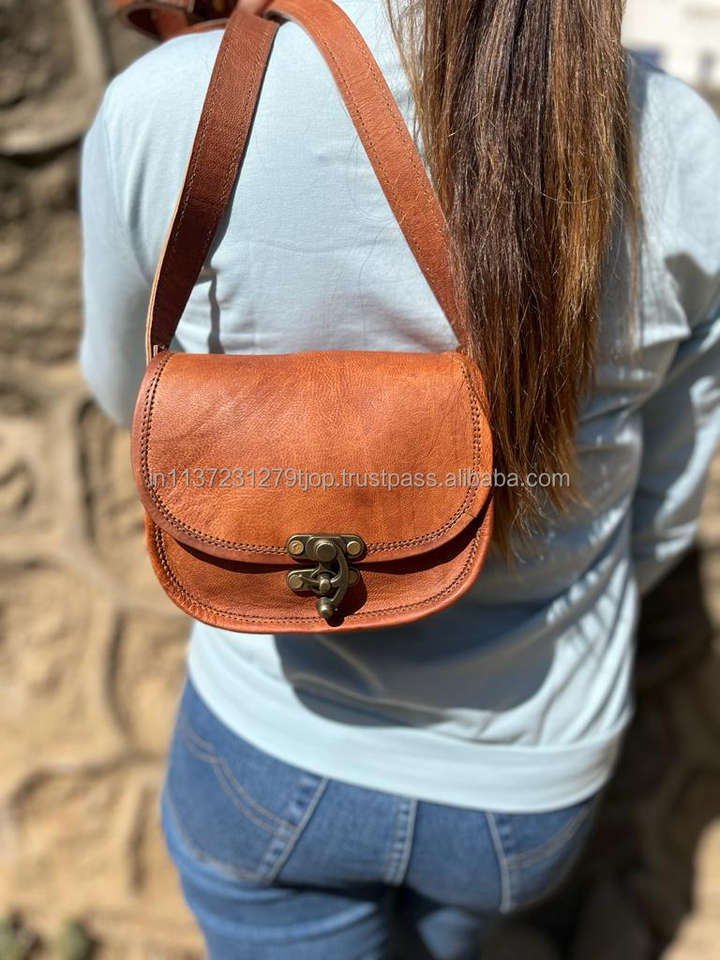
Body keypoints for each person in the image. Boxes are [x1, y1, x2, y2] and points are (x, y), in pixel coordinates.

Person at [79, 0, 720, 957]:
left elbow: (124, 393)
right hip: (527, 783)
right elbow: (663, 510)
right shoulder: (683, 143)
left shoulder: (169, 102)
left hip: (270, 749)